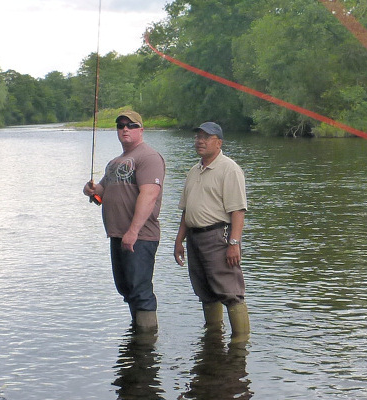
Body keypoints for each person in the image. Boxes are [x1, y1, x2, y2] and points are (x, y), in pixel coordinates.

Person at [84, 110, 165, 332]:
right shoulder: (114, 163)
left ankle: (146, 341)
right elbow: (102, 192)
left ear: (141, 130)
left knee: (140, 290)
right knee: (126, 289)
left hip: (139, 237)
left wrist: (133, 231)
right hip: (118, 235)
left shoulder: (149, 157)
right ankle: (136, 335)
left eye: (131, 125)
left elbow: (149, 195)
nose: (125, 129)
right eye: (121, 126)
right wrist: (90, 190)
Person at [174, 122, 250, 343]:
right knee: (205, 291)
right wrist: (179, 241)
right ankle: (213, 339)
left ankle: (240, 344)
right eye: (198, 137)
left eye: (206, 137)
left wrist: (234, 243)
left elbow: (238, 211)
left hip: (218, 236)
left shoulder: (229, 169)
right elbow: (186, 210)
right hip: (194, 238)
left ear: (219, 142)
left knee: (231, 293)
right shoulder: (194, 171)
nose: (200, 141)